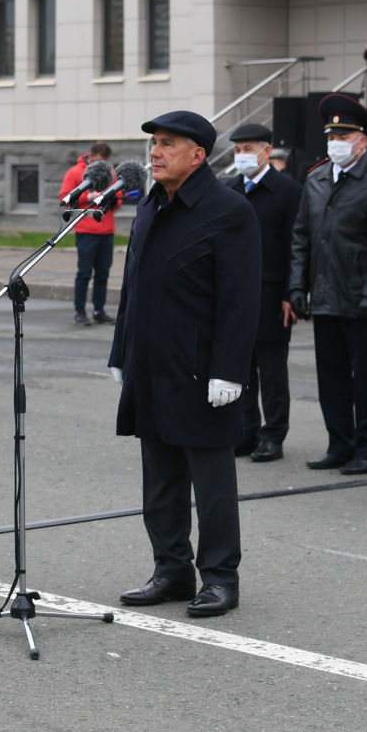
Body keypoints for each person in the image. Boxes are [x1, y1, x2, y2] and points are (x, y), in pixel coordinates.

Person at [108, 110, 260, 618]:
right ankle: (170, 569)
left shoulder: (229, 210)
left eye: (167, 144)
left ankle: (220, 577)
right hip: (151, 367)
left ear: (197, 155)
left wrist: (230, 371)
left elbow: (240, 300)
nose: (154, 152)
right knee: (161, 480)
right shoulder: (151, 206)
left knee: (212, 484)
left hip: (202, 372)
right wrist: (120, 352)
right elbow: (133, 287)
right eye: (154, 143)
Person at [288, 94, 367, 475]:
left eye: (344, 135)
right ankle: (340, 443)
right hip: (323, 294)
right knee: (331, 376)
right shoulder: (317, 177)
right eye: (331, 135)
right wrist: (296, 287)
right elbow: (301, 237)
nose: (336, 141)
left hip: (360, 296)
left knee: (366, 379)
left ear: (362, 141)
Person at [224, 122, 301, 461]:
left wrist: (292, 294)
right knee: (241, 368)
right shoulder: (229, 190)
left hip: (271, 295)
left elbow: (294, 247)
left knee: (272, 372)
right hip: (235, 295)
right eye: (238, 150)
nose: (243, 155)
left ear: (267, 151)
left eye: (249, 149)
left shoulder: (287, 191)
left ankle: (274, 435)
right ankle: (246, 430)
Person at [61, 140, 117, 326]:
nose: (102, 164)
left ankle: (99, 310)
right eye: (98, 160)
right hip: (86, 230)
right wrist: (88, 196)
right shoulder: (76, 172)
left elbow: (117, 202)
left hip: (106, 230)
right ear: (91, 156)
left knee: (103, 273)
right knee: (84, 272)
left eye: (105, 161)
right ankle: (80, 311)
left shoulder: (111, 174)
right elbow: (65, 198)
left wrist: (110, 197)